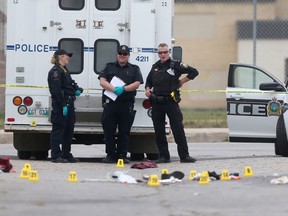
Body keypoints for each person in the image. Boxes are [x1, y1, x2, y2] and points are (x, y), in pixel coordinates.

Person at [145, 43, 199, 163]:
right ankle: (164, 156)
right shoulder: (155, 67)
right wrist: (148, 89)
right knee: (159, 131)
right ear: (158, 54)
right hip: (157, 102)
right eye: (160, 53)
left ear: (169, 52)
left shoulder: (176, 65)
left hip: (171, 102)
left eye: (165, 52)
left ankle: (184, 156)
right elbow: (148, 81)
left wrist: (182, 81)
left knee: (178, 129)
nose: (163, 55)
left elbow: (194, 72)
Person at [99, 45, 143, 164]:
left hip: (126, 104)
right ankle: (110, 155)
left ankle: (122, 155)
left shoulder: (134, 68)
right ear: (117, 54)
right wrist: (113, 89)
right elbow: (102, 81)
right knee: (109, 131)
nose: (122, 56)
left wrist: (123, 89)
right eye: (120, 53)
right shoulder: (109, 66)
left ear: (128, 55)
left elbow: (137, 83)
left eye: (125, 54)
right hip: (110, 104)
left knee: (124, 131)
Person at [47, 49, 83, 163]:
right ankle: (56, 155)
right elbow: (57, 91)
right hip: (60, 104)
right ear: (60, 57)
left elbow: (70, 83)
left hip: (69, 102)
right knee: (58, 129)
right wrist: (63, 105)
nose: (68, 58)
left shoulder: (65, 69)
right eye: (66, 56)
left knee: (69, 129)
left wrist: (76, 89)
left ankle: (66, 154)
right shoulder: (55, 72)